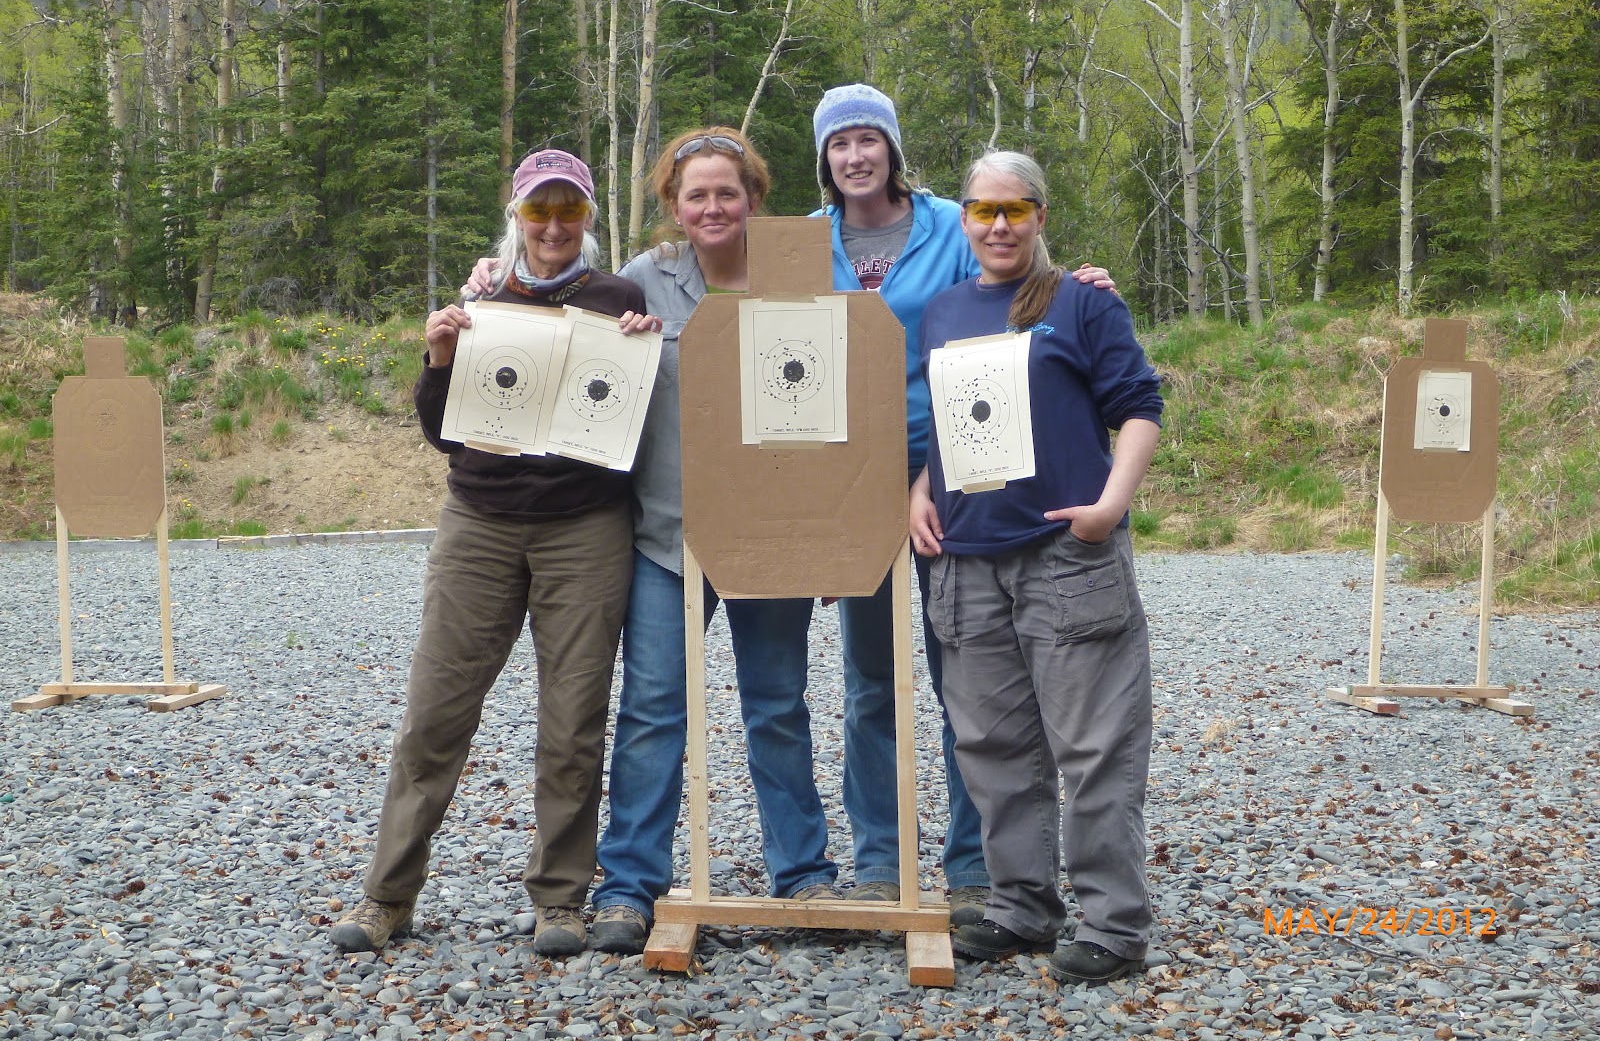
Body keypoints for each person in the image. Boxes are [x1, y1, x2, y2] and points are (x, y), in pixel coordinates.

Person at [470, 129, 841, 954]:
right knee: (650, 711)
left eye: (727, 192)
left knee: (778, 708)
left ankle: (802, 874)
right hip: (665, 538)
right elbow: (553, 319)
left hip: (770, 537)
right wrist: (492, 282)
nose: (713, 207)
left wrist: (828, 531)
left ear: (754, 197)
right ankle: (630, 885)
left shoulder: (797, 274)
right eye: (695, 194)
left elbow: (836, 401)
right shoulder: (642, 277)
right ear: (673, 204)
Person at [330, 149, 659, 958]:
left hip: (586, 528)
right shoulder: (479, 299)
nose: (553, 226)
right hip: (478, 522)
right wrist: (440, 357)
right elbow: (443, 432)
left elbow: (639, 416)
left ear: (588, 218)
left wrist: (642, 349)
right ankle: (387, 895)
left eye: (569, 210)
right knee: (435, 714)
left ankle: (560, 899)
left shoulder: (620, 299)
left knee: (573, 721)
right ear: (517, 217)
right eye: (538, 210)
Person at [811, 84, 1114, 924]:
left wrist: (1081, 283)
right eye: (840, 144)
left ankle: (978, 863)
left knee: (969, 681)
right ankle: (880, 859)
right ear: (825, 158)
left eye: (869, 139)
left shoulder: (952, 222)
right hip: (852, 482)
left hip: (961, 473)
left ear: (892, 148)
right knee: (871, 680)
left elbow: (1011, 280)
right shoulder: (803, 240)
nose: (856, 156)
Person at [909, 150, 1162, 986]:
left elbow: (1139, 407)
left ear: (1039, 216)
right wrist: (920, 490)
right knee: (993, 747)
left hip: (1067, 555)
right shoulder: (942, 312)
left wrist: (1110, 506)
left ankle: (1114, 924)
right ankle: (1022, 905)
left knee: (1093, 746)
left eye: (1014, 209)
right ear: (964, 220)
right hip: (966, 561)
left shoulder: (1081, 301)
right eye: (983, 210)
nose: (998, 225)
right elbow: (946, 423)